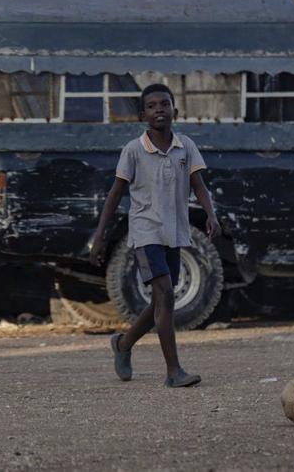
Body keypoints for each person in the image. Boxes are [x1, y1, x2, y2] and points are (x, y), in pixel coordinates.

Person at [90, 83, 220, 387]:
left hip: (174, 233)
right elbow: (115, 194)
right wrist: (100, 236)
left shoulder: (185, 146)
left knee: (164, 301)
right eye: (152, 106)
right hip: (145, 233)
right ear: (142, 115)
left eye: (165, 104)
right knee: (163, 293)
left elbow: (198, 184)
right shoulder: (134, 150)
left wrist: (211, 215)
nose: (159, 110)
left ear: (176, 110)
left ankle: (123, 344)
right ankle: (174, 371)